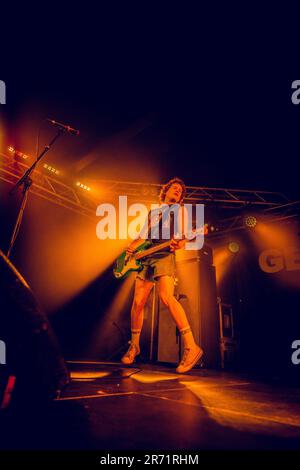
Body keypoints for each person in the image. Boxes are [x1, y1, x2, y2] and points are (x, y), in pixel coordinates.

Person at [121, 177, 203, 373]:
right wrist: (129, 250)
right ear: (165, 191)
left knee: (166, 298)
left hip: (164, 255)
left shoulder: (180, 211)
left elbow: (183, 236)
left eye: (180, 191)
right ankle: (135, 345)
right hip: (146, 257)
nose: (177, 191)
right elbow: (143, 236)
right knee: (138, 301)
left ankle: (192, 347)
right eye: (174, 188)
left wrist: (179, 243)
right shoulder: (154, 212)